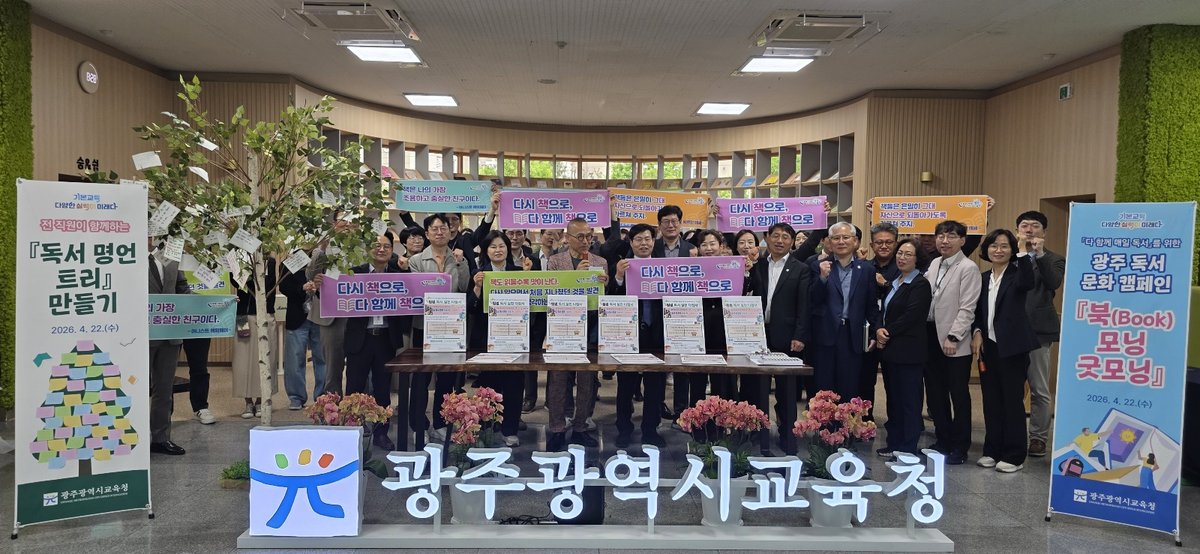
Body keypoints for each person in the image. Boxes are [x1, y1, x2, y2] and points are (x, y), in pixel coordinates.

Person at [971, 229, 1038, 473]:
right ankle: (992, 450)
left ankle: (1014, 455)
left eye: (1004, 246)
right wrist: (977, 331)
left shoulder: (1018, 273)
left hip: (1012, 347)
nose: (998, 250)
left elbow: (1028, 282)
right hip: (988, 345)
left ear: (1012, 250)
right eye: (993, 246)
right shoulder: (983, 278)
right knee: (991, 400)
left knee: (1012, 401)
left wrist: (1022, 249)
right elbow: (978, 312)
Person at [334, 235, 407, 450]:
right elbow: (334, 295)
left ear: (392, 250)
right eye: (377, 245)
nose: (381, 250)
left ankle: (381, 433)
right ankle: (352, 432)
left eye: (386, 246)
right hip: (360, 338)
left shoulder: (398, 276)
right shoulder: (353, 274)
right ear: (368, 249)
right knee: (354, 387)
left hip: (385, 338)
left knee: (383, 389)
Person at [545, 217, 610, 450]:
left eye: (589, 236)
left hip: (590, 327)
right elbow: (551, 292)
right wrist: (575, 275)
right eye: (580, 236)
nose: (585, 241)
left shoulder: (600, 262)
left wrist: (605, 284)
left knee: (587, 381)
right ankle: (556, 428)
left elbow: (603, 298)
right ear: (567, 237)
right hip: (561, 326)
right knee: (558, 380)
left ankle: (581, 427)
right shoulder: (555, 261)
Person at [747, 222, 812, 454]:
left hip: (787, 337)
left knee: (786, 391)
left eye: (785, 237)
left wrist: (800, 335)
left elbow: (804, 305)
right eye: (775, 236)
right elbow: (746, 291)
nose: (780, 240)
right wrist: (746, 270)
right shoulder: (758, 265)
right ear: (767, 238)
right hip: (758, 336)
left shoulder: (801, 268)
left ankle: (786, 433)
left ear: (792, 242)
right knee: (757, 388)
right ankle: (757, 431)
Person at [408, 213, 471, 442]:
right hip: (424, 326)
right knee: (421, 379)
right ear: (427, 234)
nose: (439, 232)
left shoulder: (458, 258)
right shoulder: (417, 261)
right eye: (434, 229)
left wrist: (461, 264)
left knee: (446, 379)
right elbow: (417, 292)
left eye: (443, 228)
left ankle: (441, 422)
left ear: (450, 231)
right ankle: (418, 426)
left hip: (451, 327)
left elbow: (464, 287)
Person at [924, 220, 981, 465]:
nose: (944, 241)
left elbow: (968, 307)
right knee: (935, 393)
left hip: (954, 340)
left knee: (958, 394)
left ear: (962, 240)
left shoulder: (968, 268)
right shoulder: (935, 263)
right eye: (941, 236)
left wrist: (954, 336)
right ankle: (943, 440)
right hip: (930, 335)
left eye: (951, 236)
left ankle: (960, 446)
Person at [468, 231, 529, 446]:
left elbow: (530, 302)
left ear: (508, 249)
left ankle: (510, 429)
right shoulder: (479, 273)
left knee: (514, 385)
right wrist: (477, 287)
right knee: (489, 385)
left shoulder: (519, 272)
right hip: (487, 339)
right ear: (486, 251)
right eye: (493, 246)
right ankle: (487, 428)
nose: (498, 250)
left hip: (515, 337)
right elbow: (470, 308)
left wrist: (528, 279)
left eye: (501, 246)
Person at [611, 223, 669, 448]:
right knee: (626, 384)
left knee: (655, 386)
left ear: (653, 242)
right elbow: (611, 298)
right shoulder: (622, 266)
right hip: (629, 334)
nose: (644, 243)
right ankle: (624, 429)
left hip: (657, 334)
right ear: (631, 242)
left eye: (648, 239)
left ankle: (650, 430)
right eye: (639, 239)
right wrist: (618, 276)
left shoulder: (666, 268)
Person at [874, 238, 931, 458]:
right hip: (891, 350)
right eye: (900, 253)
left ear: (917, 259)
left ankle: (908, 446)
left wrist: (887, 332)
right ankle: (894, 442)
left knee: (909, 400)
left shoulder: (920, 284)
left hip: (909, 351)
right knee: (894, 399)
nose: (902, 257)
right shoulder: (894, 281)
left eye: (908, 254)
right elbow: (884, 310)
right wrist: (879, 329)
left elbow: (911, 315)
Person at [810, 222, 879, 401]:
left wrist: (873, 333)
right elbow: (812, 300)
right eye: (836, 238)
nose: (841, 241)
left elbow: (871, 306)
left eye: (846, 237)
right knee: (824, 387)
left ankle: (847, 419)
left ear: (855, 241)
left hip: (852, 334)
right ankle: (824, 420)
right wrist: (822, 278)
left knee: (849, 386)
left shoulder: (866, 270)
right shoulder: (818, 266)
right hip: (825, 334)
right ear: (829, 242)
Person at [1015, 210, 1066, 458]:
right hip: (1009, 330)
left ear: (1044, 231)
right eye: (1024, 225)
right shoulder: (1009, 256)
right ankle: (1012, 434)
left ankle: (1038, 437)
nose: (1029, 229)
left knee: (1039, 388)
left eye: (1035, 225)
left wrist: (1040, 254)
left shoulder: (1054, 258)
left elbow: (1053, 282)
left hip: (1038, 331)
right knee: (1011, 387)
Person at [655, 205, 698, 421]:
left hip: (684, 315)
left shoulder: (692, 250)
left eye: (674, 221)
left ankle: (681, 411)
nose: (671, 225)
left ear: (680, 223)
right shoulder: (651, 247)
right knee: (658, 364)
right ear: (659, 225)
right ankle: (658, 406)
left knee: (682, 366)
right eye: (666, 222)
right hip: (656, 315)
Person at [148, 239, 189, 455]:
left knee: (164, 389)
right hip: (139, 336)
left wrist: (216, 304)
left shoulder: (171, 257)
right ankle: (133, 440)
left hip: (170, 334)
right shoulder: (127, 258)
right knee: (134, 387)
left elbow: (183, 290)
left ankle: (160, 438)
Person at [860, 222, 900, 421]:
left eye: (889, 242)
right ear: (872, 245)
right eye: (879, 242)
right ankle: (865, 422)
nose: (884, 246)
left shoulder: (904, 267)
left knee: (895, 383)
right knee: (865, 381)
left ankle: (897, 424)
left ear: (896, 244)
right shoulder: (864, 267)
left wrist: (885, 283)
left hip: (895, 334)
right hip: (869, 333)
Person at [232, 255, 278, 419]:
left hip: (264, 314)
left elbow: (267, 283)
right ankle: (247, 402)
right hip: (243, 315)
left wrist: (249, 273)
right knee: (242, 361)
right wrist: (239, 266)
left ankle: (261, 400)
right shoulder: (238, 259)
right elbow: (235, 282)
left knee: (265, 358)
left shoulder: (269, 261)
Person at [279, 256, 327, 410]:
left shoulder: (329, 258)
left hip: (322, 315)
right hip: (297, 316)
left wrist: (320, 286)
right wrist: (302, 288)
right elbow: (283, 286)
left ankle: (323, 397)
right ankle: (296, 397)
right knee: (294, 359)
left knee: (323, 358)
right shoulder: (293, 259)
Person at [307, 221, 348, 396]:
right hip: (330, 314)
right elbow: (310, 274)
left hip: (356, 313)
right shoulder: (321, 251)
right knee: (332, 366)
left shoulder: (362, 249)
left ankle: (358, 403)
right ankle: (332, 402)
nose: (346, 227)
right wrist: (322, 248)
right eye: (342, 223)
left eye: (350, 223)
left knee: (359, 364)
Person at [697, 229, 738, 399]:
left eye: (712, 244)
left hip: (724, 331)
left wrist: (745, 272)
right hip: (698, 331)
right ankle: (697, 414)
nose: (708, 248)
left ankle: (725, 413)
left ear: (721, 246)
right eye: (704, 244)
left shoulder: (732, 266)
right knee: (697, 377)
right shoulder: (691, 269)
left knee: (723, 379)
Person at [182, 338, 214, 424]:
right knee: (165, 371)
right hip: (167, 331)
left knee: (199, 366)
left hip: (197, 331)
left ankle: (200, 407)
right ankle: (164, 411)